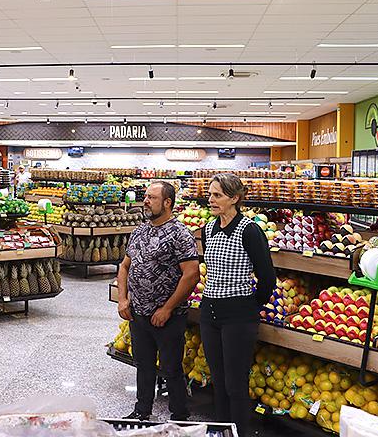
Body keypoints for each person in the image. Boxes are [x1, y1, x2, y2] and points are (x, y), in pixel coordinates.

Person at [200, 173, 276, 437]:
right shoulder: (207, 229)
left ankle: (239, 432)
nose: (211, 199)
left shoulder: (250, 231)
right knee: (218, 379)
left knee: (235, 382)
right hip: (210, 312)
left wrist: (251, 306)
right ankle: (221, 430)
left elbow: (267, 276)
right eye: (210, 194)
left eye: (217, 195)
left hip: (239, 315)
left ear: (235, 198)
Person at [117, 181, 200, 421]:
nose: (145, 201)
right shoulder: (140, 231)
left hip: (168, 317)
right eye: (145, 196)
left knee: (171, 368)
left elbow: (191, 273)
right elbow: (124, 267)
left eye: (151, 197)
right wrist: (123, 299)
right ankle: (142, 411)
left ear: (167, 203)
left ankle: (180, 415)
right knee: (143, 364)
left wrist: (167, 308)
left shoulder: (180, 234)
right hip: (138, 313)